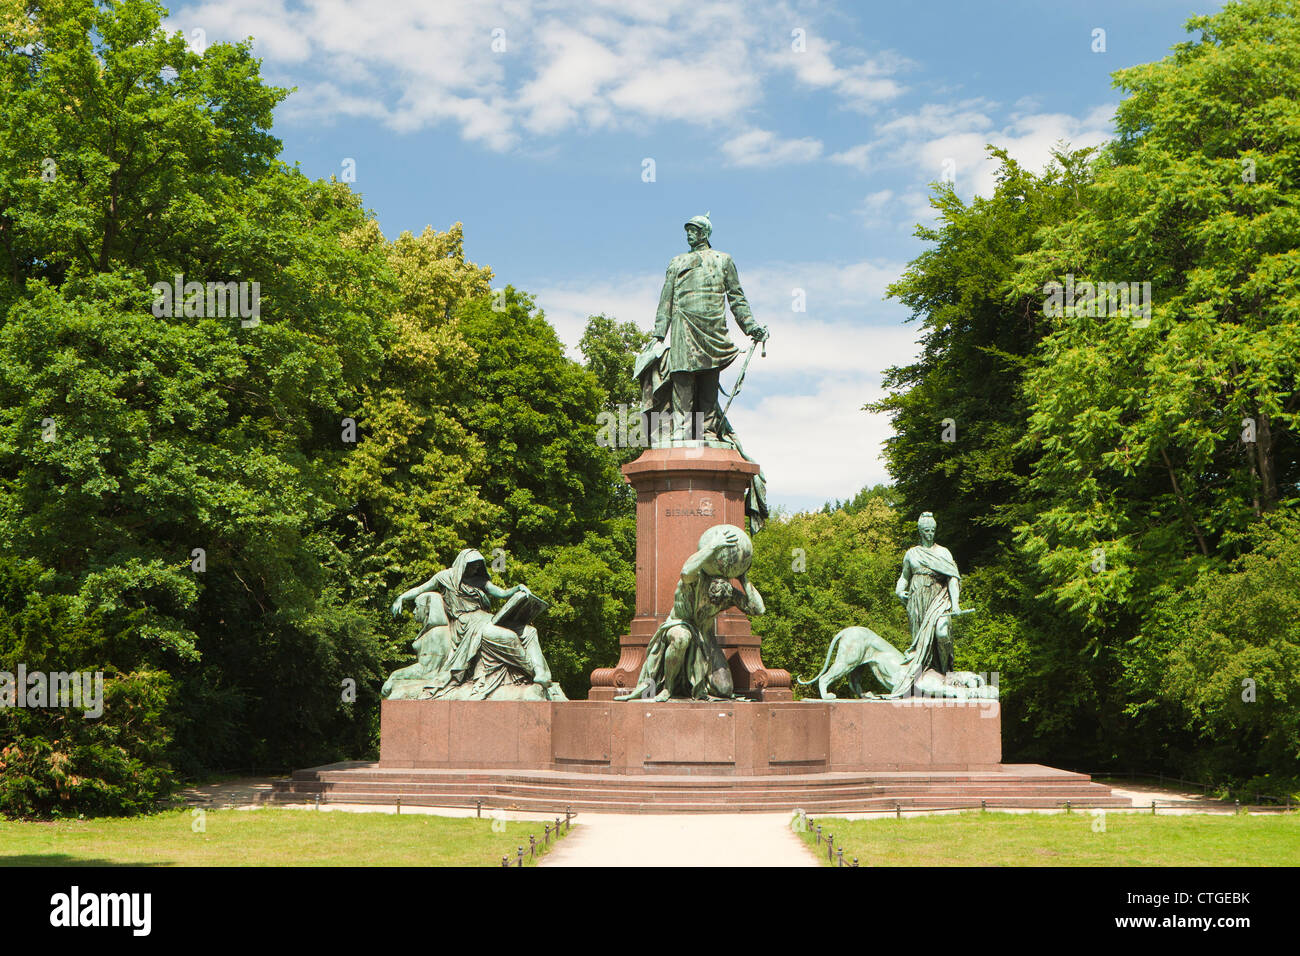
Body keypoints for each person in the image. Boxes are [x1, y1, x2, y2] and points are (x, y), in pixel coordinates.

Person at [389, 549, 565, 701]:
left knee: (529, 631)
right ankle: (531, 671)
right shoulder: (445, 577)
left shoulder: (480, 581)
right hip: (467, 625)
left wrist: (518, 588)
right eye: (472, 565)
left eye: (478, 565)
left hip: (486, 618)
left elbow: (502, 593)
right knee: (507, 636)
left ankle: (542, 673)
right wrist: (401, 598)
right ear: (463, 564)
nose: (475, 569)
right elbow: (421, 589)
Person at [653, 214, 768, 441]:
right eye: (687, 230)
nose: (688, 234)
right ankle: (681, 430)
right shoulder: (676, 262)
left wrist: (751, 326)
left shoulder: (723, 260)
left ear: (704, 233)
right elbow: (665, 299)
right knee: (682, 377)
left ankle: (707, 430)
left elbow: (737, 298)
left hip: (713, 329)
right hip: (683, 326)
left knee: (708, 380)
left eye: (693, 230)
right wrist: (658, 334)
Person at [616, 526, 764, 701]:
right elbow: (686, 571)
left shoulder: (726, 592)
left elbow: (758, 609)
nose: (717, 590)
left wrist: (743, 577)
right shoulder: (695, 579)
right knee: (681, 638)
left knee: (724, 689)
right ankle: (668, 688)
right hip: (679, 625)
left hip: (704, 638)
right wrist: (714, 546)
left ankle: (696, 684)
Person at [891, 512, 961, 697]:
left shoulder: (943, 552)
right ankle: (923, 674)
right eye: (926, 531)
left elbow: (953, 578)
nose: (930, 534)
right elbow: (904, 576)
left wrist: (955, 604)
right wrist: (899, 590)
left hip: (938, 599)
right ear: (920, 532)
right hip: (917, 602)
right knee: (920, 643)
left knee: (942, 632)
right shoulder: (912, 553)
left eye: (932, 530)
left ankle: (946, 671)